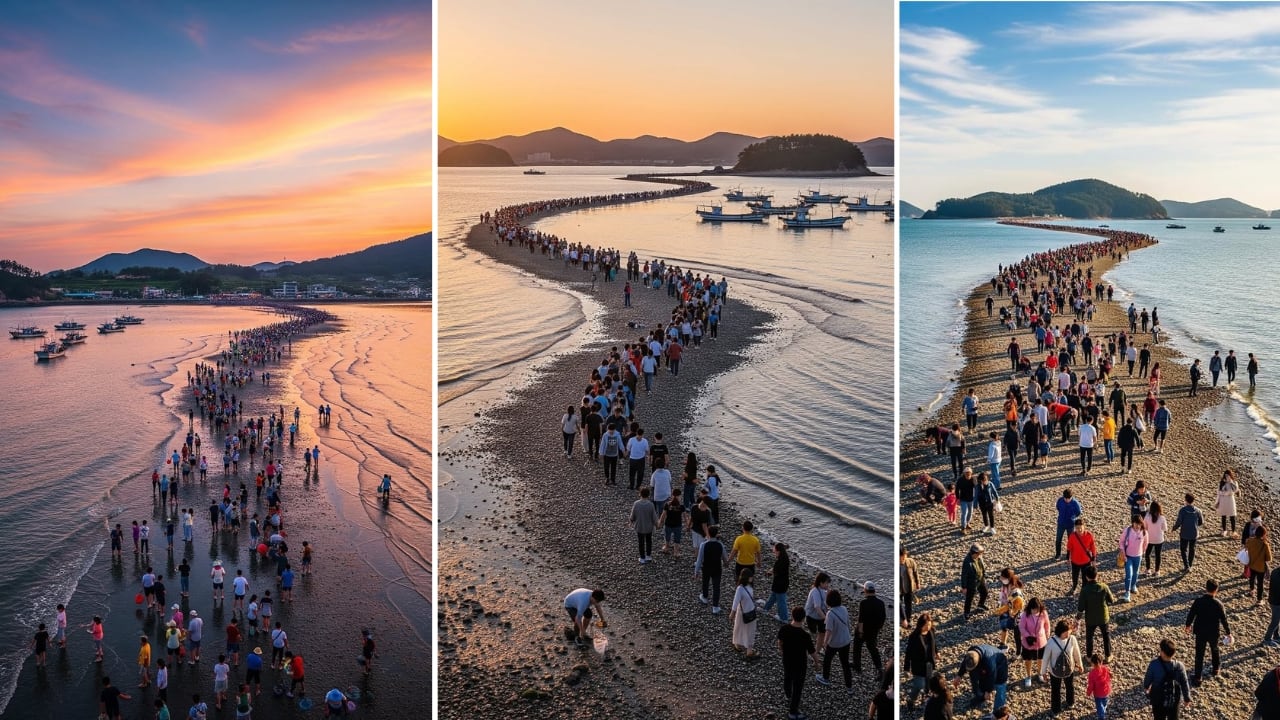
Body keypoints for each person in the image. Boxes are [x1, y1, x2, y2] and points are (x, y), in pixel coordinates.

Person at [1185, 579, 1231, 683]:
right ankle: (1215, 669)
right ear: (1217, 590)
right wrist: (1228, 632)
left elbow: (1191, 614)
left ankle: (1198, 677)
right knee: (1215, 649)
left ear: (1206, 588)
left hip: (1200, 631)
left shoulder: (1198, 601)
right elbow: (1224, 619)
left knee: (1199, 654)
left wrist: (1188, 625)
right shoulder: (1219, 604)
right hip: (1213, 632)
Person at [778, 607, 820, 720]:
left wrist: (782, 651)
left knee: (787, 676)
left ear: (792, 616)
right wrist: (817, 663)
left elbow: (780, 642)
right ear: (803, 619)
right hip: (800, 664)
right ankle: (793, 712)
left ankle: (788, 695)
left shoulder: (784, 629)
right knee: (798, 687)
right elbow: (812, 652)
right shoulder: (805, 635)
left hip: (787, 660)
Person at [1041, 619, 1084, 715]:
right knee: (1055, 690)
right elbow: (1046, 658)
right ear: (1060, 631)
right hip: (1056, 671)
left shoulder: (1072, 639)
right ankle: (1056, 709)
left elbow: (1077, 653)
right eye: (1066, 633)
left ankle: (1070, 702)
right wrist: (1043, 672)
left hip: (1068, 669)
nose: (1068, 635)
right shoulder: (1051, 642)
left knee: (1070, 686)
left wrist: (1080, 664)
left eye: (1069, 632)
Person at [1143, 638, 1191, 719]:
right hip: (1174, 699)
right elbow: (1184, 683)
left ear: (1162, 653)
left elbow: (1148, 679)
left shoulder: (1154, 664)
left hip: (1158, 699)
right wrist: (1187, 698)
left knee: (1158, 717)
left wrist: (1146, 687)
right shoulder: (1180, 666)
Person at [955, 643, 1009, 713]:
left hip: (1000, 664)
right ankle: (980, 697)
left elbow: (992, 676)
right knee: (981, 682)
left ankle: (998, 711)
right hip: (984, 665)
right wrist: (959, 675)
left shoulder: (989, 661)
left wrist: (988, 691)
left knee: (1000, 686)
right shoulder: (971, 653)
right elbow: (965, 663)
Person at [1077, 563, 1115, 661]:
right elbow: (1111, 600)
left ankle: (1089, 656)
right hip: (1103, 617)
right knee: (1106, 635)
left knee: (1089, 637)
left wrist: (1077, 618)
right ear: (1097, 575)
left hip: (1090, 618)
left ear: (1086, 577)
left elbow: (1081, 607)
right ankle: (1108, 656)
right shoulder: (1104, 587)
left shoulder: (1084, 590)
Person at [815, 588, 852, 689]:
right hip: (846, 640)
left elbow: (829, 630)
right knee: (845, 663)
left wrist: (825, 643)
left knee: (827, 660)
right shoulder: (844, 609)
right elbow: (848, 624)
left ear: (828, 601)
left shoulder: (830, 614)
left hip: (835, 643)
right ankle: (849, 687)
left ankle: (825, 678)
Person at [694, 525, 728, 613]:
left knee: (705, 582)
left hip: (706, 567)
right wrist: (726, 564)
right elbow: (724, 557)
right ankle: (715, 607)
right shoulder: (720, 545)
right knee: (716, 587)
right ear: (717, 534)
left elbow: (699, 559)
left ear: (708, 533)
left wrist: (696, 571)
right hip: (717, 568)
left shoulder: (704, 545)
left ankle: (705, 597)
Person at [1018, 597, 1050, 688]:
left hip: (1041, 641)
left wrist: (1047, 636)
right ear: (1030, 608)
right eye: (1033, 609)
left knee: (1041, 658)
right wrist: (1028, 636)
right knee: (1028, 660)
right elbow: (1021, 627)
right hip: (1028, 642)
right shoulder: (1025, 614)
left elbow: (1047, 625)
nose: (1034, 611)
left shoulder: (1043, 613)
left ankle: (1039, 673)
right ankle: (1028, 676)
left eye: (1036, 609)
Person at [853, 582, 885, 673]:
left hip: (864, 630)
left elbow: (861, 619)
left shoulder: (863, 603)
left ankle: (857, 666)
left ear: (865, 590)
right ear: (874, 590)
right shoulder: (881, 603)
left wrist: (860, 631)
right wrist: (878, 628)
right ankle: (879, 668)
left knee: (857, 647)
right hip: (874, 630)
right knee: (873, 649)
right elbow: (883, 618)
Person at [994, 568, 1026, 651]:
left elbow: (1019, 605)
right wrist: (999, 603)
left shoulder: (1016, 591)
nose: (1001, 580)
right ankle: (1003, 644)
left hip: (1015, 614)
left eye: (1003, 578)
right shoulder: (1004, 586)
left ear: (1008, 578)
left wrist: (1011, 611)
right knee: (1003, 627)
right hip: (1005, 610)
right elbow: (1002, 595)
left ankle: (1019, 651)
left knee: (1017, 634)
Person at [729, 569, 758, 657]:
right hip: (744, 612)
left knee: (747, 630)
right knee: (741, 629)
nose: (752, 578)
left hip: (747, 612)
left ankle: (745, 648)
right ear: (746, 578)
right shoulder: (740, 588)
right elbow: (735, 601)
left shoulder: (748, 587)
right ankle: (743, 647)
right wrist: (732, 613)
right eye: (750, 577)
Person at [1120, 514, 1149, 602]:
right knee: (1129, 574)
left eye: (1139, 524)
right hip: (1128, 556)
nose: (1137, 526)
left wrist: (1143, 552)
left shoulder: (1144, 532)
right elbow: (1121, 542)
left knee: (1136, 573)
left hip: (1138, 556)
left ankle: (1133, 585)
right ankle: (1127, 592)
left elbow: (1146, 543)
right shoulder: (1127, 530)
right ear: (1132, 523)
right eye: (1135, 524)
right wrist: (1123, 553)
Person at [1172, 493, 1204, 571]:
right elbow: (1201, 522)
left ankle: (1186, 566)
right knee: (1192, 549)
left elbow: (1179, 522)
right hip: (1194, 533)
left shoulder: (1182, 510)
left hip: (1184, 533)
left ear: (1185, 500)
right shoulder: (1198, 510)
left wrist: (1174, 528)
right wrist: (1195, 525)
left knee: (1183, 549)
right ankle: (1190, 565)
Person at [1067, 517, 1098, 594]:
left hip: (1086, 562)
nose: (1079, 530)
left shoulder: (1089, 535)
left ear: (1084, 527)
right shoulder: (1072, 536)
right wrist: (1068, 558)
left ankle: (1083, 591)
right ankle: (1074, 588)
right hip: (1075, 561)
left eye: (1081, 528)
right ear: (1075, 528)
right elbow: (1069, 547)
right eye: (1077, 528)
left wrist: (1093, 558)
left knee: (1085, 578)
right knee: (1075, 577)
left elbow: (1093, 547)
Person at [627, 487, 658, 563]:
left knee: (640, 542)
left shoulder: (636, 504)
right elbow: (654, 517)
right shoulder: (651, 504)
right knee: (648, 541)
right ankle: (648, 556)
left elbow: (633, 515)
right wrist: (657, 524)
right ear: (648, 495)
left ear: (640, 494)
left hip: (639, 526)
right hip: (648, 527)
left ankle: (642, 557)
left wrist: (631, 521)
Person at [762, 542, 790, 623]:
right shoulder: (784, 557)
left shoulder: (780, 561)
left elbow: (775, 571)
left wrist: (769, 573)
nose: (774, 552)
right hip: (783, 582)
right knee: (773, 596)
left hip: (780, 583)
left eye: (775, 550)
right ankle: (765, 609)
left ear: (779, 551)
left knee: (781, 601)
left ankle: (784, 618)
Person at [1249, 526, 1275, 606]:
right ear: (1263, 534)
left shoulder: (1250, 540)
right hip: (1260, 567)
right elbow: (1269, 558)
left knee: (1252, 578)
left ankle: (1251, 590)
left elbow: (1247, 549)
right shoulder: (1264, 544)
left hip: (1251, 564)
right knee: (1260, 583)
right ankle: (1259, 600)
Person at [804, 573, 832, 651]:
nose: (828, 585)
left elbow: (827, 604)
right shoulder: (815, 591)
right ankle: (811, 647)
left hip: (821, 616)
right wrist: (826, 618)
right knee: (813, 632)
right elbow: (817, 607)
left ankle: (817, 650)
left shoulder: (824, 591)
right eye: (826, 583)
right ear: (821, 583)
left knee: (822, 633)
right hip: (812, 616)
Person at [962, 544, 988, 620]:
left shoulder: (979, 557)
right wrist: (964, 587)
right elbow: (964, 575)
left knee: (985, 592)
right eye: (979, 553)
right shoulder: (967, 562)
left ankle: (980, 605)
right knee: (969, 598)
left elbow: (982, 567)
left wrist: (984, 576)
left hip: (980, 580)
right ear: (974, 553)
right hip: (971, 583)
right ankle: (966, 613)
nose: (980, 555)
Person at [1056, 489, 1084, 559]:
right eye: (1065, 498)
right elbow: (1058, 507)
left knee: (1070, 540)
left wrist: (1072, 517)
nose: (1067, 500)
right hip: (1061, 523)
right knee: (1058, 539)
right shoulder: (1060, 500)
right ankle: (1058, 554)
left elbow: (1079, 512)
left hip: (1070, 525)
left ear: (1071, 497)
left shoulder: (1075, 503)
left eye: (1069, 499)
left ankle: (1069, 555)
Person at [900, 546, 922, 629]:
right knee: (899, 604)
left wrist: (917, 583)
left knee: (908, 605)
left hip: (909, 587)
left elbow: (916, 572)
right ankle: (902, 620)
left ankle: (908, 619)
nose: (903, 559)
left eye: (905, 556)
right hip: (899, 589)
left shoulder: (910, 561)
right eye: (902, 558)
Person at [1145, 501, 1169, 576]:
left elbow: (1145, 528)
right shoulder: (1162, 518)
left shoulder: (1147, 517)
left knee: (1147, 554)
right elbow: (1165, 529)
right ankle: (1157, 571)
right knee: (1158, 555)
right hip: (1159, 539)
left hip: (1149, 539)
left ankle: (1148, 569)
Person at [1087, 652, 1112, 720]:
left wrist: (1088, 692)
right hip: (1106, 691)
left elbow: (1091, 685)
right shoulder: (1105, 668)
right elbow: (1110, 675)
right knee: (1104, 702)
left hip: (1098, 693)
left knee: (1099, 705)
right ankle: (1104, 708)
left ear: (1092, 663)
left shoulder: (1092, 674)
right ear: (1101, 662)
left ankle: (1101, 716)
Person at [1218, 469, 1240, 537]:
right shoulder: (1222, 482)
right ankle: (1224, 530)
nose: (1227, 476)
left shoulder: (1234, 482)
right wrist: (1225, 492)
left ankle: (1233, 531)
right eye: (1226, 475)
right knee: (1223, 515)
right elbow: (1219, 491)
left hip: (1231, 500)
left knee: (1232, 516)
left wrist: (1231, 482)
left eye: (1228, 475)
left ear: (1231, 475)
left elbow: (1236, 490)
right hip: (1224, 500)